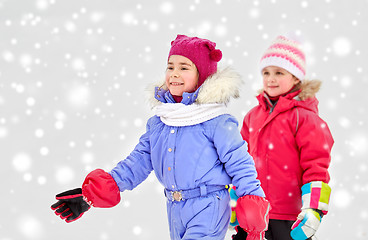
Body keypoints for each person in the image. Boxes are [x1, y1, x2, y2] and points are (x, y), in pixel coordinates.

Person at [51, 34, 270, 240]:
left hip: (209, 207)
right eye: (170, 66)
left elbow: (240, 166)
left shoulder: (216, 121)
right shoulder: (161, 122)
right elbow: (136, 163)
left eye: (184, 67)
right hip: (174, 208)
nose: (175, 73)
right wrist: (91, 196)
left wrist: (251, 221)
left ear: (202, 76)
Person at [231, 34, 334, 240]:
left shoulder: (304, 118)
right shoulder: (253, 116)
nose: (271, 78)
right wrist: (235, 201)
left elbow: (316, 167)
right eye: (266, 72)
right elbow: (240, 162)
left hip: (289, 215)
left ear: (296, 77)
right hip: (254, 213)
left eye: (279, 72)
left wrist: (314, 210)